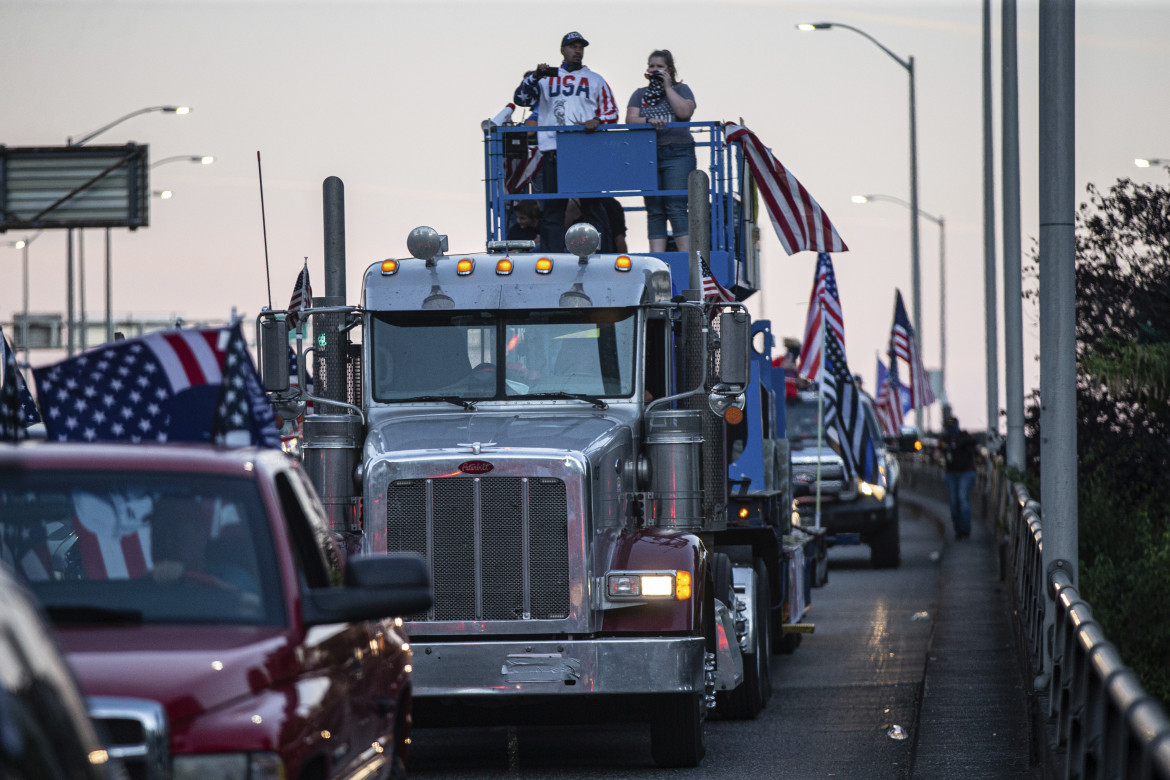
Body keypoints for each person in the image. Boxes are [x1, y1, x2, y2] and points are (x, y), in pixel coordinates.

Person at [513, 31, 619, 253]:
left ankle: (601, 252)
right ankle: (554, 256)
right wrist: (535, 75)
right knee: (553, 208)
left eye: (581, 47)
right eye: (573, 46)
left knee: (592, 205)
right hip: (553, 149)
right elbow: (521, 99)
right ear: (562, 50)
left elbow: (612, 111)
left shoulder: (595, 79)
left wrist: (597, 120)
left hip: (584, 149)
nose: (577, 50)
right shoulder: (546, 78)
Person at [625, 49, 697, 252]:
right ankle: (657, 257)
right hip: (649, 155)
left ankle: (685, 257)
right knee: (654, 208)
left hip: (678, 153)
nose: (654, 70)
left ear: (669, 70)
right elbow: (631, 119)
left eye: (659, 66)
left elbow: (684, 112)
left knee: (676, 205)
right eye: (651, 66)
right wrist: (648, 120)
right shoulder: (639, 94)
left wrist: (667, 87)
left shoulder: (682, 89)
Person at [939, 415, 978, 539]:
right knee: (954, 503)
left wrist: (960, 443)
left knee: (962, 499)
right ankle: (958, 529)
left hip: (966, 472)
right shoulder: (944, 440)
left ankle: (965, 530)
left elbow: (974, 442)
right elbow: (936, 452)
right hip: (951, 474)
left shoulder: (964, 436)